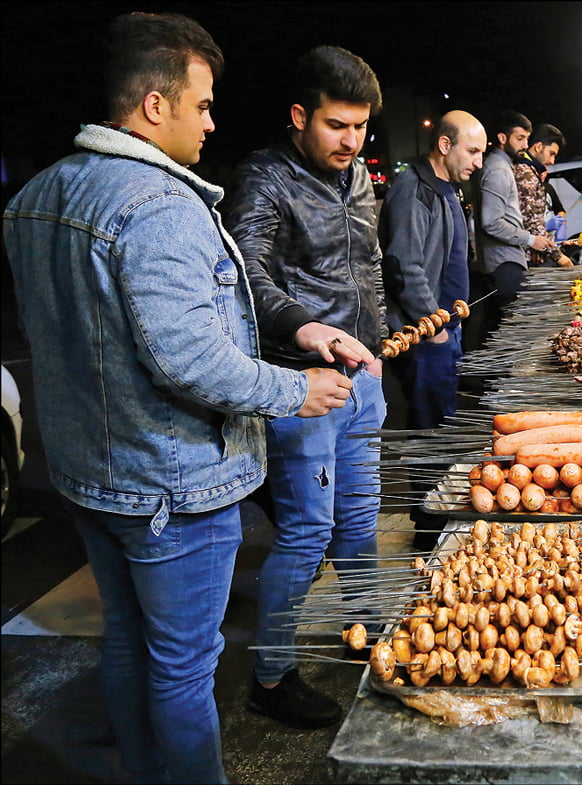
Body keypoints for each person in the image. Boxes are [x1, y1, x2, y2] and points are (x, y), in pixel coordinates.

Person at [2, 13, 358, 783]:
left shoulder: (35, 196)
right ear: (154, 105)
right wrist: (294, 390)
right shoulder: (159, 204)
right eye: (201, 104)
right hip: (171, 483)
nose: (212, 120)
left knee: (131, 643)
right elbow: (190, 359)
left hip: (91, 478)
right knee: (184, 667)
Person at [222, 45, 387, 729]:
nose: (350, 141)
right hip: (300, 381)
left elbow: (367, 265)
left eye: (360, 127)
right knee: (308, 529)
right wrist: (307, 328)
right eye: (335, 125)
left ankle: (375, 633)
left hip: (362, 377)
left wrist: (380, 339)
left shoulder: (358, 179)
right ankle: (271, 673)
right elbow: (247, 276)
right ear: (300, 115)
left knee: (360, 520)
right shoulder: (263, 179)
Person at [378, 110, 487, 550]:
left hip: (445, 328)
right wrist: (433, 324)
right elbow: (404, 265)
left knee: (442, 430)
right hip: (426, 336)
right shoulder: (412, 190)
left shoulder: (446, 188)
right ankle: (427, 532)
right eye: (473, 151)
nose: (478, 162)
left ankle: (437, 519)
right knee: (428, 436)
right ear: (445, 145)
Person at [471, 109, 557, 342]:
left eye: (527, 139)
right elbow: (492, 222)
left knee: (495, 326)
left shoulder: (503, 167)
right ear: (502, 138)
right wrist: (531, 240)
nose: (525, 145)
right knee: (514, 330)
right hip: (503, 262)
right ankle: (496, 376)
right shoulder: (498, 170)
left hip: (502, 260)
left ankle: (486, 377)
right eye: (520, 138)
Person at [513, 123, 575, 268]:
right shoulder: (525, 173)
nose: (552, 161)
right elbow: (531, 221)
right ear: (538, 147)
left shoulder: (530, 170)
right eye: (551, 153)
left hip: (533, 251)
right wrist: (559, 257)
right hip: (523, 257)